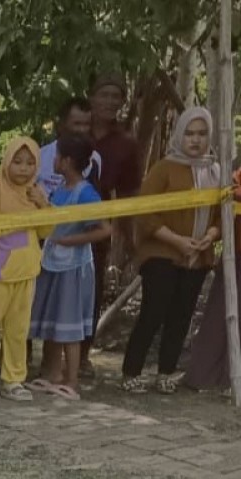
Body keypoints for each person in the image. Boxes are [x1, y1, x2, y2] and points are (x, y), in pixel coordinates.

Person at [121, 107, 220, 394]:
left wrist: (210, 236)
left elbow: (220, 215)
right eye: (189, 133)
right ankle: (131, 372)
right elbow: (146, 212)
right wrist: (177, 241)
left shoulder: (215, 171)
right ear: (179, 135)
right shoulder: (164, 168)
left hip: (197, 256)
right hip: (161, 253)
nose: (196, 140)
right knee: (153, 312)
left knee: (181, 316)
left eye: (202, 134)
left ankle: (166, 372)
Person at [29, 134, 112, 400]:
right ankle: (53, 374)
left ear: (66, 161)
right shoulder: (60, 189)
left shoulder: (86, 192)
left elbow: (104, 229)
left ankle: (72, 379)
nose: (52, 160)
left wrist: (70, 240)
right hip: (52, 261)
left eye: (57, 156)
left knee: (70, 325)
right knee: (54, 320)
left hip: (73, 267)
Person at [0, 137, 49, 403]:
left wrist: (43, 205)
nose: (23, 168)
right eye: (17, 161)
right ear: (6, 162)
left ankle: (13, 380)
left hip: (26, 275)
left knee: (18, 332)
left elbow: (46, 231)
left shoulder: (35, 194)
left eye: (30, 163)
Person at [87, 72, 142, 373]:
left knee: (91, 291)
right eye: (103, 94)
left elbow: (129, 194)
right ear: (92, 97)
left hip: (98, 227)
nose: (109, 102)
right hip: (57, 223)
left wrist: (132, 240)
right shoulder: (73, 130)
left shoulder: (125, 144)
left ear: (122, 102)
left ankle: (81, 356)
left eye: (115, 96)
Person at [187, 166, 241, 394]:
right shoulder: (238, 176)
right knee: (221, 313)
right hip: (236, 256)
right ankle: (208, 375)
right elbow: (229, 193)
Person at [37, 98, 101, 197]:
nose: (82, 130)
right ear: (62, 124)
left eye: (86, 124)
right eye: (77, 124)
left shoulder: (95, 159)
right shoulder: (40, 155)